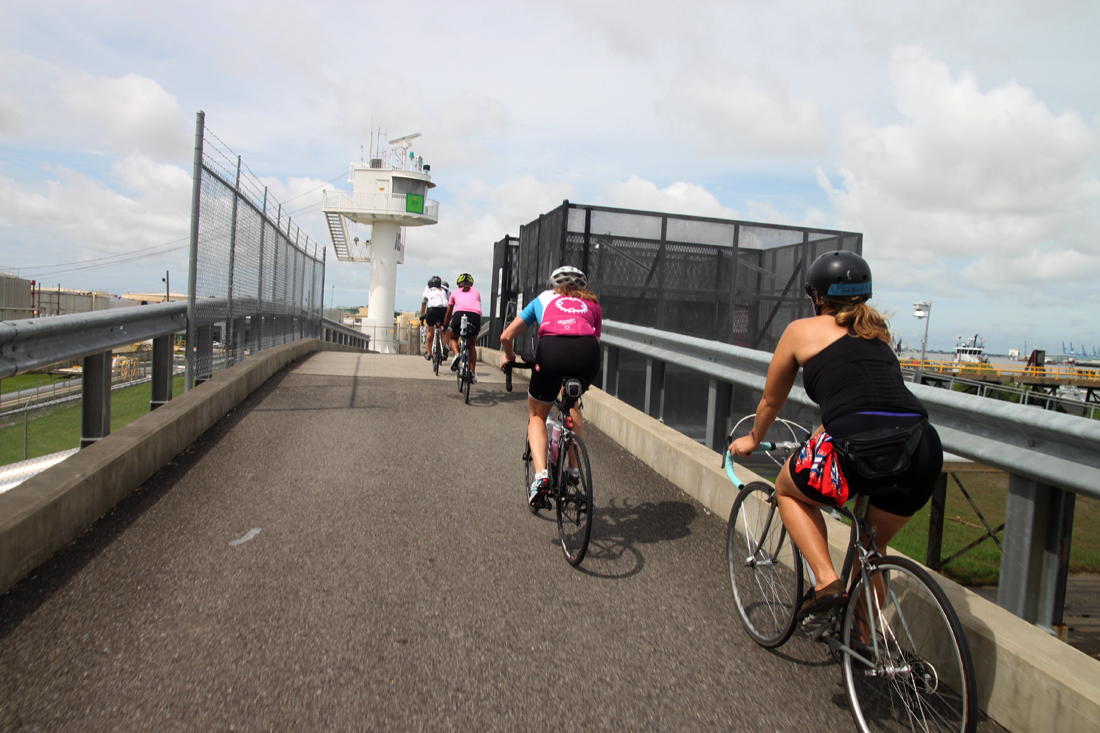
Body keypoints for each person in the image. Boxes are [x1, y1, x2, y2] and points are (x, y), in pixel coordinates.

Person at [728, 251, 942, 618]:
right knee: (871, 546)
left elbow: (771, 401)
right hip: (921, 447)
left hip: (858, 446)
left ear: (817, 297)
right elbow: (871, 401)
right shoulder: (878, 331)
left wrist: (753, 439)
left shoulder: (800, 331)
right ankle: (865, 640)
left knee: (786, 489)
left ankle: (827, 582)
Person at [500, 265, 603, 508]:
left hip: (552, 352)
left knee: (537, 415)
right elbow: (594, 341)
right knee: (572, 403)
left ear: (555, 286)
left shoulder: (543, 299)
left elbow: (506, 336)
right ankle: (574, 471)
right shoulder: (593, 305)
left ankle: (541, 478)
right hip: (588, 355)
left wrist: (509, 356)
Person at [444, 273, 483, 382]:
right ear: (471, 284)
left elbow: (448, 313)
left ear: (458, 284)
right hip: (475, 316)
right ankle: (472, 373)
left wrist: (445, 324)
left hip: (459, 315)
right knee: (471, 345)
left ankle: (457, 354)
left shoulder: (454, 293)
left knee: (453, 338)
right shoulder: (476, 292)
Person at [420, 276, 449, 360]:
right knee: (443, 329)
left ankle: (429, 353)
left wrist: (422, 316)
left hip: (431, 310)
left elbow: (423, 308)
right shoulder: (443, 290)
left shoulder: (426, 291)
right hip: (443, 309)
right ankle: (444, 347)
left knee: (430, 331)